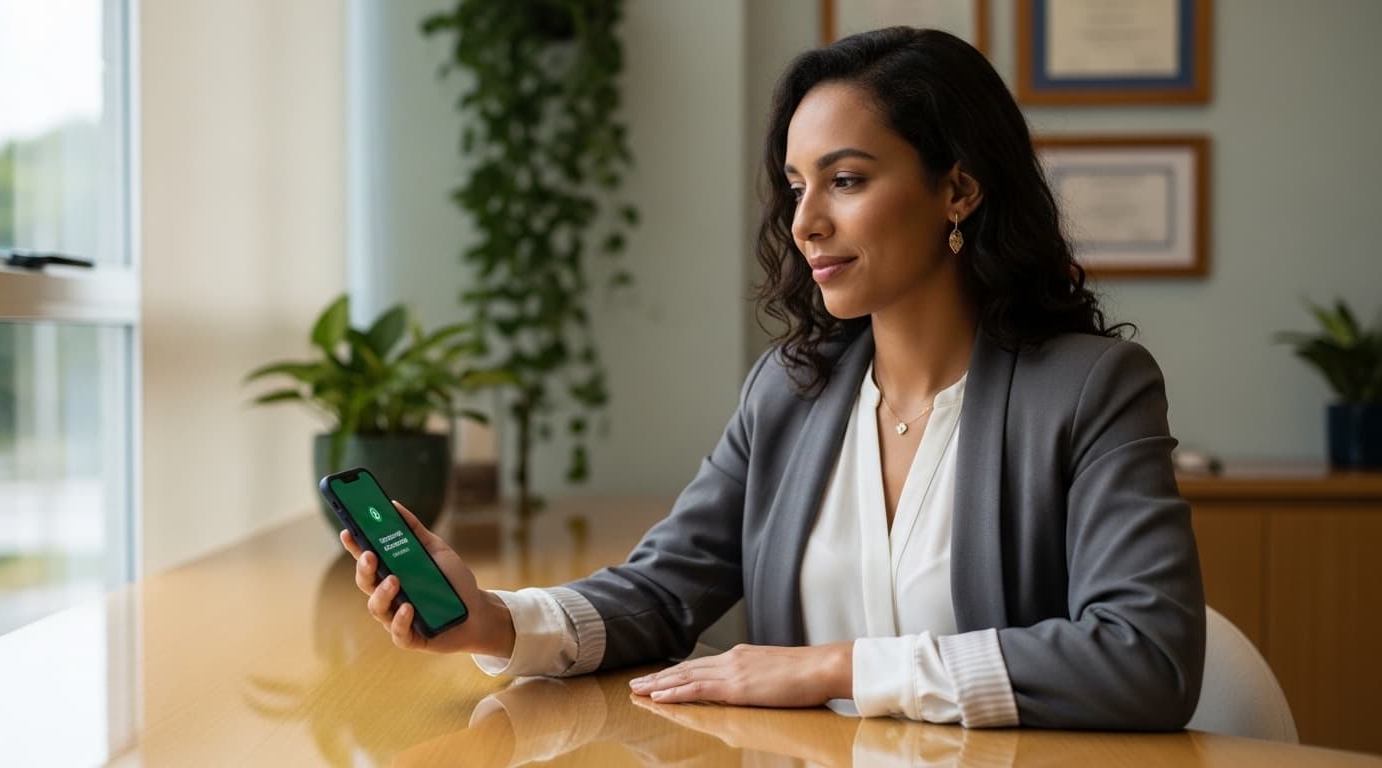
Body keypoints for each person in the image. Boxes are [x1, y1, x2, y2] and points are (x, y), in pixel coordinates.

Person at [340, 26, 1205, 730]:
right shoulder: (791, 391)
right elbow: (662, 589)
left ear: (960, 190)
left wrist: (831, 668)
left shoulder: (1094, 389)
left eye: (848, 180)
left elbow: (1147, 659)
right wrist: (493, 618)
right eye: (795, 187)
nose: (805, 223)